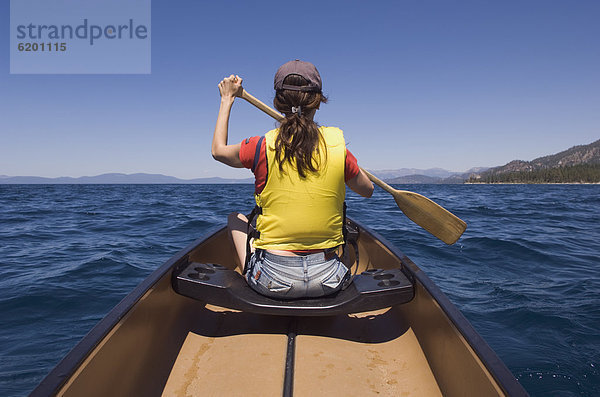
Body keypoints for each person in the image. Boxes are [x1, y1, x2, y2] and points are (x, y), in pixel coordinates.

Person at [211, 59, 373, 299]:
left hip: (271, 281)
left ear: (278, 102)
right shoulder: (338, 147)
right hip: (330, 279)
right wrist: (344, 161)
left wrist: (227, 99)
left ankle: (249, 274)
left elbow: (218, 151)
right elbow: (367, 190)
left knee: (236, 218)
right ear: (318, 101)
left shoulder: (259, 146)